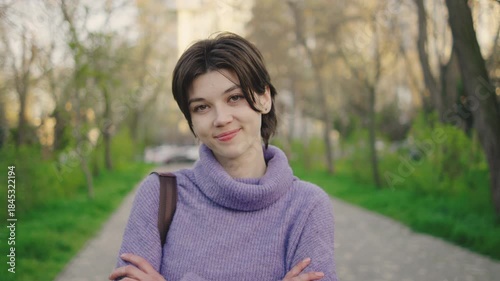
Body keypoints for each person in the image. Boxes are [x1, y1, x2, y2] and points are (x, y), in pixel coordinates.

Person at [109, 32, 338, 281]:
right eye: (202, 107)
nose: (221, 119)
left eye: (234, 98)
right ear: (192, 121)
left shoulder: (308, 207)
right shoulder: (159, 195)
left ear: (264, 98)